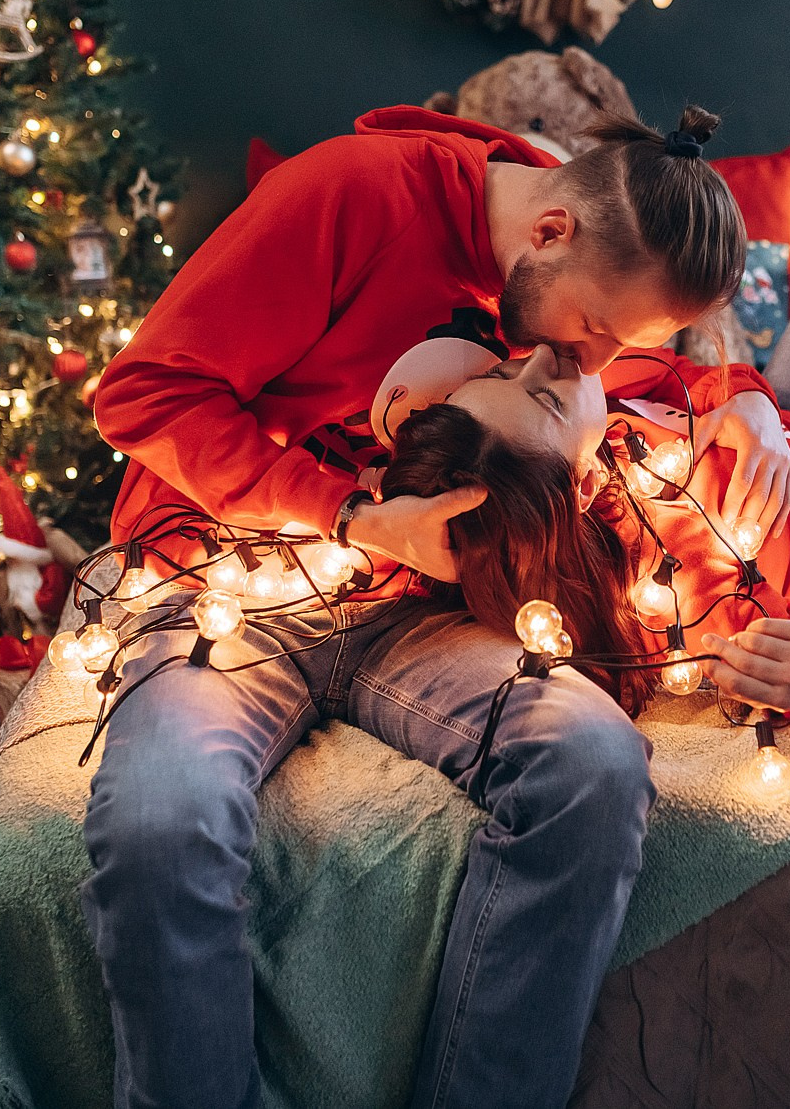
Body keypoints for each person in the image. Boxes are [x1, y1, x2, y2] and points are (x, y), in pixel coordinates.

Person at [84, 105, 754, 1109]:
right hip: (235, 584)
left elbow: (660, 370)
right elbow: (140, 394)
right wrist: (350, 513)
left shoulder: (584, 259)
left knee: (596, 761)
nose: (594, 362)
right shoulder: (351, 196)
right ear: (549, 231)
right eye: (597, 331)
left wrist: (751, 399)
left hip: (425, 615)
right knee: (157, 820)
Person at [379, 183, 790, 753]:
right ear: (582, 485)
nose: (545, 359)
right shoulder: (689, 588)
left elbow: (685, 375)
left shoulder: (591, 401)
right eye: (544, 397)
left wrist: (751, 402)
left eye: (503, 373)